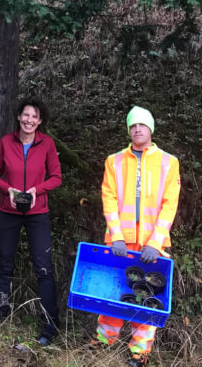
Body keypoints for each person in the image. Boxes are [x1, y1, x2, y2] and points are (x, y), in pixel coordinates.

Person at [94, 106, 180, 367]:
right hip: (121, 241)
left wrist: (155, 243)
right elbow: (108, 199)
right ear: (128, 130)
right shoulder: (114, 161)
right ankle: (102, 342)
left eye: (142, 125)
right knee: (113, 293)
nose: (137, 129)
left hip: (151, 245)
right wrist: (117, 236)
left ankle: (139, 353)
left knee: (147, 297)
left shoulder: (169, 162)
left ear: (151, 129)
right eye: (132, 126)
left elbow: (169, 205)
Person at [0, 99, 62, 346]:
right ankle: (0, 309)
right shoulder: (7, 142)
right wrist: (8, 189)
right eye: (26, 115)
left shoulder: (47, 143)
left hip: (37, 212)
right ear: (18, 117)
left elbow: (56, 177)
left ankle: (50, 322)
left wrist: (37, 190)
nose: (29, 120)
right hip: (9, 210)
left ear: (40, 121)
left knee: (43, 267)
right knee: (5, 263)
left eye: (35, 117)